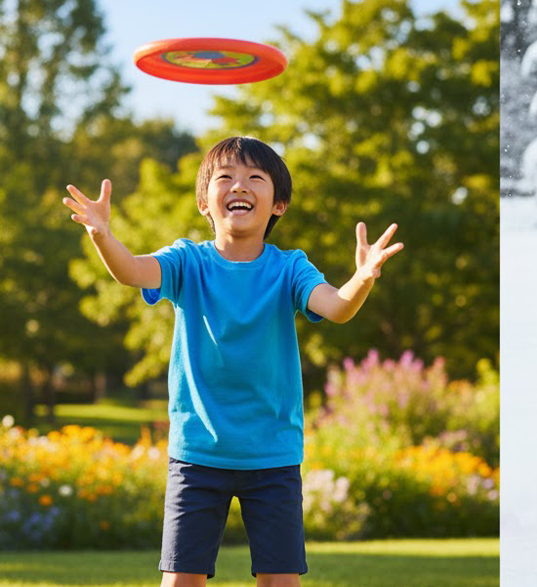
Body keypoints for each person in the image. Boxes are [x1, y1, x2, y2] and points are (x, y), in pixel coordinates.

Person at [64, 136, 403, 587]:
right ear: (204, 202)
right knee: (181, 580)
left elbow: (337, 307)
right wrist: (103, 236)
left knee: (280, 581)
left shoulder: (291, 268)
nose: (239, 186)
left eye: (254, 178)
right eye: (225, 177)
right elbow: (131, 271)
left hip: (272, 453)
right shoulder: (187, 261)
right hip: (198, 452)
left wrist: (361, 278)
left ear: (279, 204)